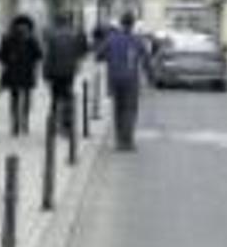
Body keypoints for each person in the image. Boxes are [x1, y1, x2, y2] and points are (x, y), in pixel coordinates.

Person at [97, 12, 151, 151]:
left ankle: (119, 140)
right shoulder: (137, 40)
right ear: (132, 24)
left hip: (114, 78)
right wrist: (150, 77)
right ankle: (127, 142)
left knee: (118, 109)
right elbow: (146, 60)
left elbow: (99, 55)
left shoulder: (111, 39)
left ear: (121, 23)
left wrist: (108, 57)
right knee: (130, 110)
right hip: (131, 79)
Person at [0, 15, 43, 136]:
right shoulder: (32, 39)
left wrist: (8, 61)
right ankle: (25, 122)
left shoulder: (7, 38)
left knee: (14, 98)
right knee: (26, 98)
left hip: (13, 73)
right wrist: (31, 62)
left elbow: (0, 56)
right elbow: (39, 55)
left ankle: (15, 123)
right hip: (27, 72)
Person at [42, 13, 89, 134]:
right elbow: (82, 51)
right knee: (68, 95)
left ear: (57, 23)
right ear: (67, 22)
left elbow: (48, 57)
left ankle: (53, 124)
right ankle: (67, 125)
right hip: (69, 71)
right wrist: (76, 63)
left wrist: (45, 74)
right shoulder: (74, 35)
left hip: (54, 72)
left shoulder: (52, 36)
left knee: (55, 98)